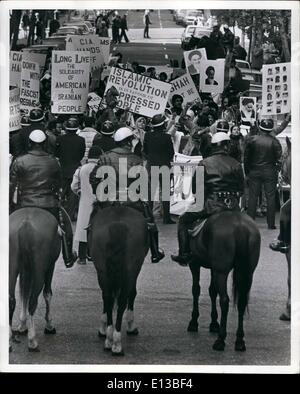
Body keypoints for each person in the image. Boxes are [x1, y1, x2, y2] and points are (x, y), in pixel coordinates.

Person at [90, 127, 165, 263]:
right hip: (132, 201)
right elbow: (145, 184)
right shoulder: (136, 159)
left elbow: (94, 178)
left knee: (92, 221)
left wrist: (100, 193)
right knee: (151, 223)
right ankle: (155, 251)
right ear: (129, 142)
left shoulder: (105, 157)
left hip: (108, 200)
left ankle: (90, 249)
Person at [171, 132, 244, 266]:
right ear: (227, 146)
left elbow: (195, 190)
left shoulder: (203, 163)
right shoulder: (236, 163)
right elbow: (241, 189)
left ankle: (184, 253)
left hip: (210, 205)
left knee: (183, 220)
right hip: (233, 207)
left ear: (213, 146)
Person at [9, 129, 77, 268]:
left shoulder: (19, 161)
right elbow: (59, 184)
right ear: (45, 143)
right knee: (66, 228)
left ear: (30, 143)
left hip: (23, 203)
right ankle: (68, 256)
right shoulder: (54, 161)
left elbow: (12, 184)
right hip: (49, 204)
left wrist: (9, 204)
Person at [244, 119, 282, 229]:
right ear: (270, 130)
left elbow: (246, 158)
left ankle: (250, 223)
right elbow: (279, 159)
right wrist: (276, 170)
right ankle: (271, 224)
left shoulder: (252, 140)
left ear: (260, 128)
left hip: (254, 171)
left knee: (253, 197)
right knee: (270, 197)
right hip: (270, 171)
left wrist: (247, 172)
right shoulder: (275, 142)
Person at [71, 145, 102, 265]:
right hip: (99, 202)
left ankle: (82, 257)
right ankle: (94, 255)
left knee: (83, 228)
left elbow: (74, 186)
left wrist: (80, 192)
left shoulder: (81, 169)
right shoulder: (102, 168)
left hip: (85, 202)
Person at [143, 114, 175, 224]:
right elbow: (171, 153)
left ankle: (149, 217)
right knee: (165, 193)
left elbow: (145, 151)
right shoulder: (167, 137)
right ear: (162, 125)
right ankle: (166, 218)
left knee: (150, 193)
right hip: (164, 166)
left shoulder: (147, 136)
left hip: (152, 166)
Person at [55, 118, 86, 220]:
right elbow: (81, 155)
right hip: (75, 169)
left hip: (63, 169)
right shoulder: (81, 140)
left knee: (61, 193)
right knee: (73, 194)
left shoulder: (60, 139)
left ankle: (59, 213)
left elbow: (57, 154)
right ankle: (69, 215)